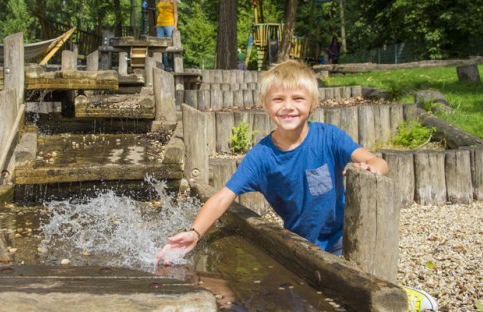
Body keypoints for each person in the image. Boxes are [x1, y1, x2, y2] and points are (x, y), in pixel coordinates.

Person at [156, 60, 388, 263]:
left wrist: (371, 168)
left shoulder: (329, 137)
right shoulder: (261, 157)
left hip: (342, 238)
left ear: (313, 103)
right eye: (278, 99)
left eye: (298, 98)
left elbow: (375, 160)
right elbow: (223, 197)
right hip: (299, 244)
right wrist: (195, 233)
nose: (288, 106)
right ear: (265, 106)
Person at [156, 0, 178, 72]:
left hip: (169, 24)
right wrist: (156, 24)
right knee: (159, 46)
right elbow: (160, 12)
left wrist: (175, 25)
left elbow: (176, 13)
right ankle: (165, 66)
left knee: (169, 46)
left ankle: (172, 65)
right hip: (160, 24)